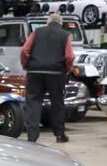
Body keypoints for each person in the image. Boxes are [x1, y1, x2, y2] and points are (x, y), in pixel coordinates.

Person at [20, 13, 75, 143]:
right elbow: (70, 57)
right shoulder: (65, 35)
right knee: (57, 103)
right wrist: (66, 69)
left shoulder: (36, 32)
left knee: (33, 101)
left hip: (35, 71)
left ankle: (32, 136)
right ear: (60, 23)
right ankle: (59, 135)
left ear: (47, 22)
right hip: (56, 73)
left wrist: (26, 65)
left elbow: (24, 50)